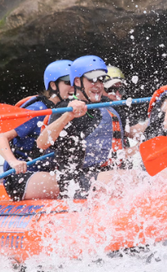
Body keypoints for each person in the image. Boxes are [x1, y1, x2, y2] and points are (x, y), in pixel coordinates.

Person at [35, 55, 134, 198]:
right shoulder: (64, 108)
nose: (98, 85)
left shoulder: (108, 104)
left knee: (141, 176)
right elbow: (42, 143)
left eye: (101, 80)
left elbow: (130, 135)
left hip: (109, 173)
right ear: (77, 81)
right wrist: (68, 116)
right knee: (124, 180)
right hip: (77, 181)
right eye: (92, 80)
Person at [0, 60, 74, 201]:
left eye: (76, 82)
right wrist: (13, 162)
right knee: (74, 184)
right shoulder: (37, 110)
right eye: (68, 82)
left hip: (48, 172)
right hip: (22, 176)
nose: (73, 87)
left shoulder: (72, 109)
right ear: (53, 85)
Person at [103, 65, 147, 144]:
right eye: (111, 89)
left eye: (121, 90)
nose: (117, 95)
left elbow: (140, 133)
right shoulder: (92, 111)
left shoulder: (117, 111)